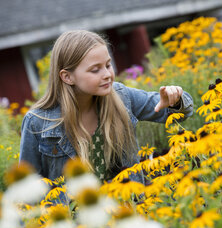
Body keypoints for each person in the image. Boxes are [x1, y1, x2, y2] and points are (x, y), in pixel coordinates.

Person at [19, 30, 193, 184]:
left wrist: (174, 99)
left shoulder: (121, 96)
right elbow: (28, 188)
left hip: (131, 210)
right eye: (95, 70)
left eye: (108, 65)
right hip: (76, 217)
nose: (108, 75)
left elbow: (182, 111)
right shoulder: (38, 122)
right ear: (67, 77)